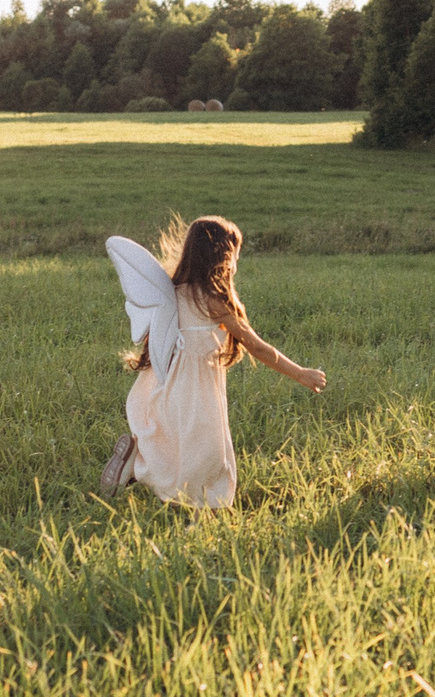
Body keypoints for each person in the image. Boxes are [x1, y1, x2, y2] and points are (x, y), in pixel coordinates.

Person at [100, 215, 326, 508]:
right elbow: (256, 346)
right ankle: (207, 505)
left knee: (174, 442)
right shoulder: (213, 301)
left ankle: (138, 462)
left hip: (166, 380)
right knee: (208, 450)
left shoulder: (172, 292)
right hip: (197, 387)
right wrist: (301, 373)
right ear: (223, 258)